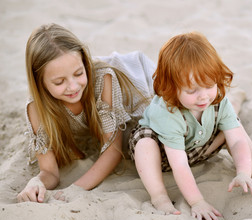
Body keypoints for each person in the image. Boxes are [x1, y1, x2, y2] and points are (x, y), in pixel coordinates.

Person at [129, 32, 252, 220]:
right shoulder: (167, 112)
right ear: (171, 87)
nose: (203, 96)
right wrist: (197, 202)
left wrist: (242, 171)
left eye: (209, 85)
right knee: (144, 142)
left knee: (234, 125)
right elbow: (180, 165)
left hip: (198, 148)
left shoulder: (217, 100)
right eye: (192, 90)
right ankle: (159, 196)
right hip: (165, 157)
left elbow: (237, 139)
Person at [17, 23, 155, 203]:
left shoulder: (103, 79)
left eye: (78, 73)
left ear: (85, 63)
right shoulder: (35, 108)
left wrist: (76, 189)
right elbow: (50, 172)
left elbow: (112, 150)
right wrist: (36, 182)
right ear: (39, 83)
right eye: (59, 82)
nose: (73, 86)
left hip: (144, 80)